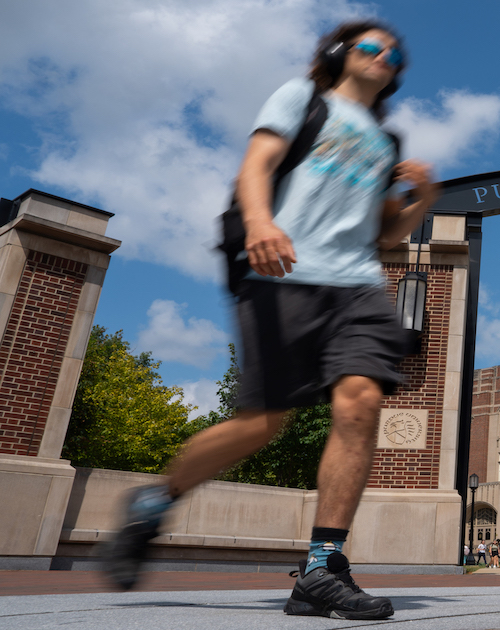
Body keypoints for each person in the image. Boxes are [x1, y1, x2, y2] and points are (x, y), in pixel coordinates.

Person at [100, 20, 440, 619]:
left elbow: (385, 234)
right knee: (261, 424)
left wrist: (425, 200)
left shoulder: (385, 143)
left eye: (394, 51)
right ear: (339, 53)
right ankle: (152, 506)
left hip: (358, 286)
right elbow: (258, 164)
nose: (384, 55)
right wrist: (259, 221)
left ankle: (321, 568)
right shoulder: (301, 100)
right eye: (370, 46)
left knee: (360, 400)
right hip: (283, 273)